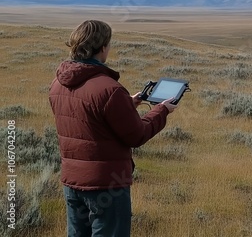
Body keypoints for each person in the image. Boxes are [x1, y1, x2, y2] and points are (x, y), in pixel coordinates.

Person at [48, 20, 177, 237]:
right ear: (102, 47)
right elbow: (137, 135)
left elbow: (85, 117)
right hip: (106, 186)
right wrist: (161, 111)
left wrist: (126, 104)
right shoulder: (109, 90)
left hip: (72, 182)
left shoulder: (57, 84)